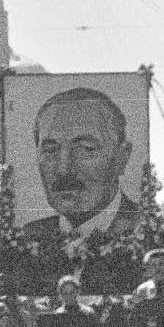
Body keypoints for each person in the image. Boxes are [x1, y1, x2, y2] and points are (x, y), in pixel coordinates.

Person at [17, 87, 144, 293]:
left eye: (85, 149)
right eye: (50, 150)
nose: (63, 169)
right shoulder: (30, 236)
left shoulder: (139, 228)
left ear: (122, 157)